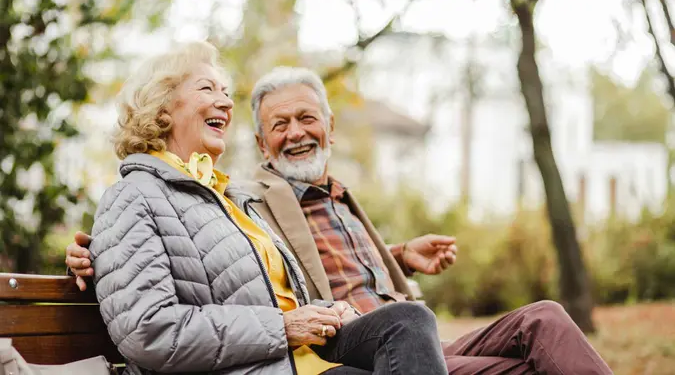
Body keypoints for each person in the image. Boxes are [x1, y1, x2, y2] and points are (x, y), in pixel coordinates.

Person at [68, 66, 613, 374]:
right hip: (347, 345)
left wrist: (398, 257)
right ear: (260, 143)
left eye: (308, 118)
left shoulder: (290, 196)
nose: (297, 132)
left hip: (402, 337)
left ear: (331, 126)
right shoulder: (253, 194)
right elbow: (157, 274)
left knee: (543, 318)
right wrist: (88, 252)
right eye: (279, 124)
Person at [85, 42, 447, 375]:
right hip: (261, 365)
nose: (227, 103)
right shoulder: (132, 196)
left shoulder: (229, 197)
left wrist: (325, 308)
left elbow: (269, 297)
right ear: (162, 107)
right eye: (207, 89)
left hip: (303, 359)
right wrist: (284, 327)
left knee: (410, 320)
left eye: (226, 93)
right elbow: (148, 331)